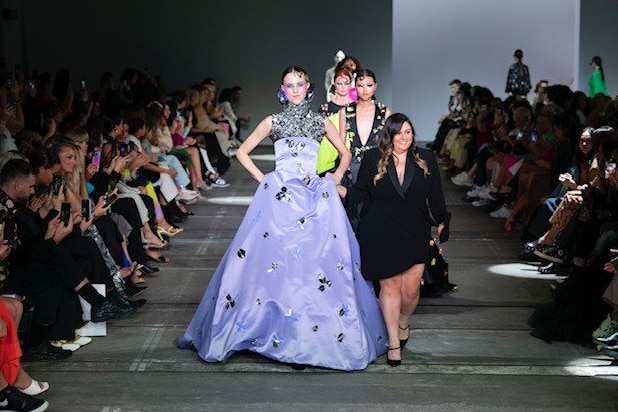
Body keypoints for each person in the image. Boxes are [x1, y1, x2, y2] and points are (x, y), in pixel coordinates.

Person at [177, 66, 388, 371]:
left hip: (313, 195)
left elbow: (345, 153)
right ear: (282, 89)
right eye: (289, 85)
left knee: (313, 262)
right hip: (280, 196)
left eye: (299, 84)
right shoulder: (272, 121)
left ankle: (305, 334)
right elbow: (242, 152)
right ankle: (274, 330)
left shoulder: (319, 121)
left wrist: (335, 177)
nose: (295, 90)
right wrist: (265, 178)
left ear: (308, 86)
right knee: (274, 260)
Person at [345, 113, 450, 367]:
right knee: (389, 286)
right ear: (389, 135)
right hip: (379, 229)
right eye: (399, 132)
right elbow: (359, 192)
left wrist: (442, 219)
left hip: (415, 229)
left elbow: (435, 194)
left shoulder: (426, 158)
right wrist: (332, 189)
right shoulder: (373, 158)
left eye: (408, 132)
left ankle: (403, 322)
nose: (404, 137)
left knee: (411, 290)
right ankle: (393, 343)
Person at [339, 69, 391, 184]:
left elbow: (388, 143)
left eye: (369, 85)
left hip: (378, 166)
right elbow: (341, 143)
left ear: (375, 86)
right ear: (355, 87)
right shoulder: (346, 112)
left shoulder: (384, 112)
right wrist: (344, 166)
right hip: (352, 166)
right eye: (360, 85)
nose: (365, 90)